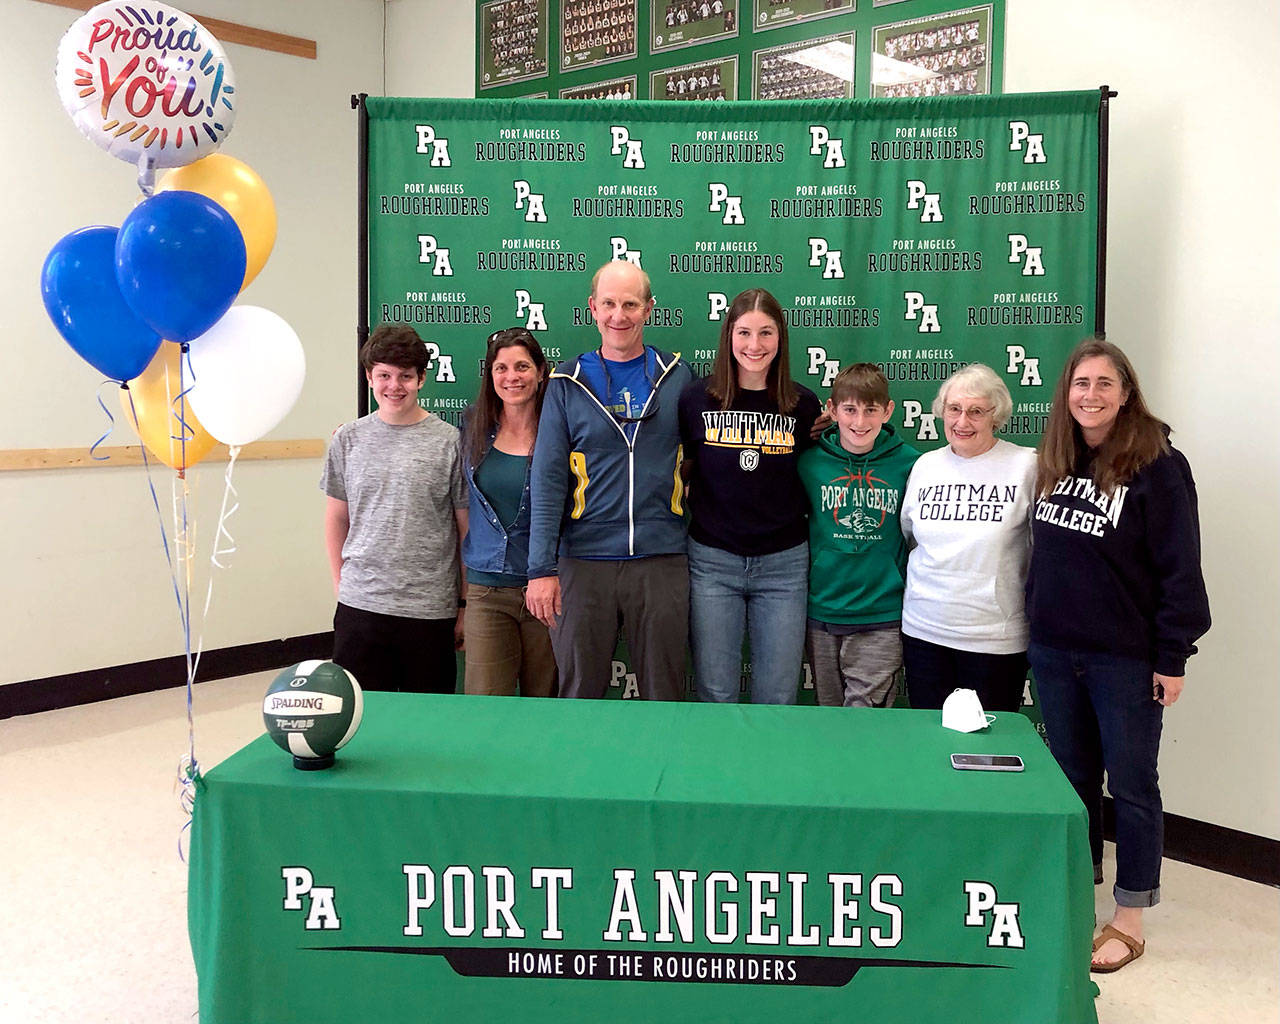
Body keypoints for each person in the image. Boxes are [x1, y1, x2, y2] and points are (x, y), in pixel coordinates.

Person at [1027, 337, 1210, 973]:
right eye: (1081, 383)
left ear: (1126, 393)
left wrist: (1172, 657)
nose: (1091, 395)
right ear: (1066, 392)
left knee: (1131, 785)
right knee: (1073, 780)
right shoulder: (1057, 457)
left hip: (1125, 659)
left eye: (1105, 383)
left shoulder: (1159, 465)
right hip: (1055, 652)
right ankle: (1079, 892)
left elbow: (1181, 568)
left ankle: (1130, 915)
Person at [526, 260, 693, 700]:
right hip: (583, 562)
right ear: (593, 308)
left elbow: (713, 456)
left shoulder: (678, 378)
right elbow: (547, 479)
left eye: (630, 304)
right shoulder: (566, 382)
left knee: (665, 695)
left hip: (661, 559)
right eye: (609, 304)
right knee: (579, 693)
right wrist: (541, 569)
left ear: (649, 309)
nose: (619, 315)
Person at [678, 288, 821, 703]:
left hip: (784, 565)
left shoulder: (803, 405)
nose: (754, 345)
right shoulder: (696, 399)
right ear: (728, 335)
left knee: (778, 695)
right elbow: (682, 469)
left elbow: (816, 473)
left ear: (781, 338)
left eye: (765, 332)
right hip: (712, 561)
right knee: (715, 691)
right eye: (744, 332)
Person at [321, 324, 468, 693]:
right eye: (384, 375)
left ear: (422, 379)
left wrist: (463, 604)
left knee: (428, 718)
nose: (394, 386)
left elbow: (465, 531)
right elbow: (337, 518)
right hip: (360, 607)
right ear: (369, 377)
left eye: (405, 376)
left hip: (429, 609)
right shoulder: (347, 439)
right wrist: (341, 585)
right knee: (364, 715)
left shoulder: (450, 443)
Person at [899, 364, 1036, 712]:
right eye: (954, 409)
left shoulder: (1026, 466)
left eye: (976, 411)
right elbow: (910, 536)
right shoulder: (925, 466)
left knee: (992, 740)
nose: (962, 421)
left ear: (996, 416)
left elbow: (1041, 549)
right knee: (929, 739)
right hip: (924, 633)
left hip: (995, 640)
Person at [799, 364, 920, 708]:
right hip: (823, 609)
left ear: (888, 411)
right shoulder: (809, 463)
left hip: (881, 613)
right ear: (832, 410)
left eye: (871, 410)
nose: (860, 422)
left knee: (866, 718)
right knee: (830, 714)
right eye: (850, 410)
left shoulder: (911, 464)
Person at [459, 328, 557, 698]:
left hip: (547, 589)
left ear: (541, 371)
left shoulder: (561, 429)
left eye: (522, 366)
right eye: (501, 368)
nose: (511, 377)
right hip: (487, 591)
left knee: (545, 704)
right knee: (484, 704)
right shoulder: (472, 426)